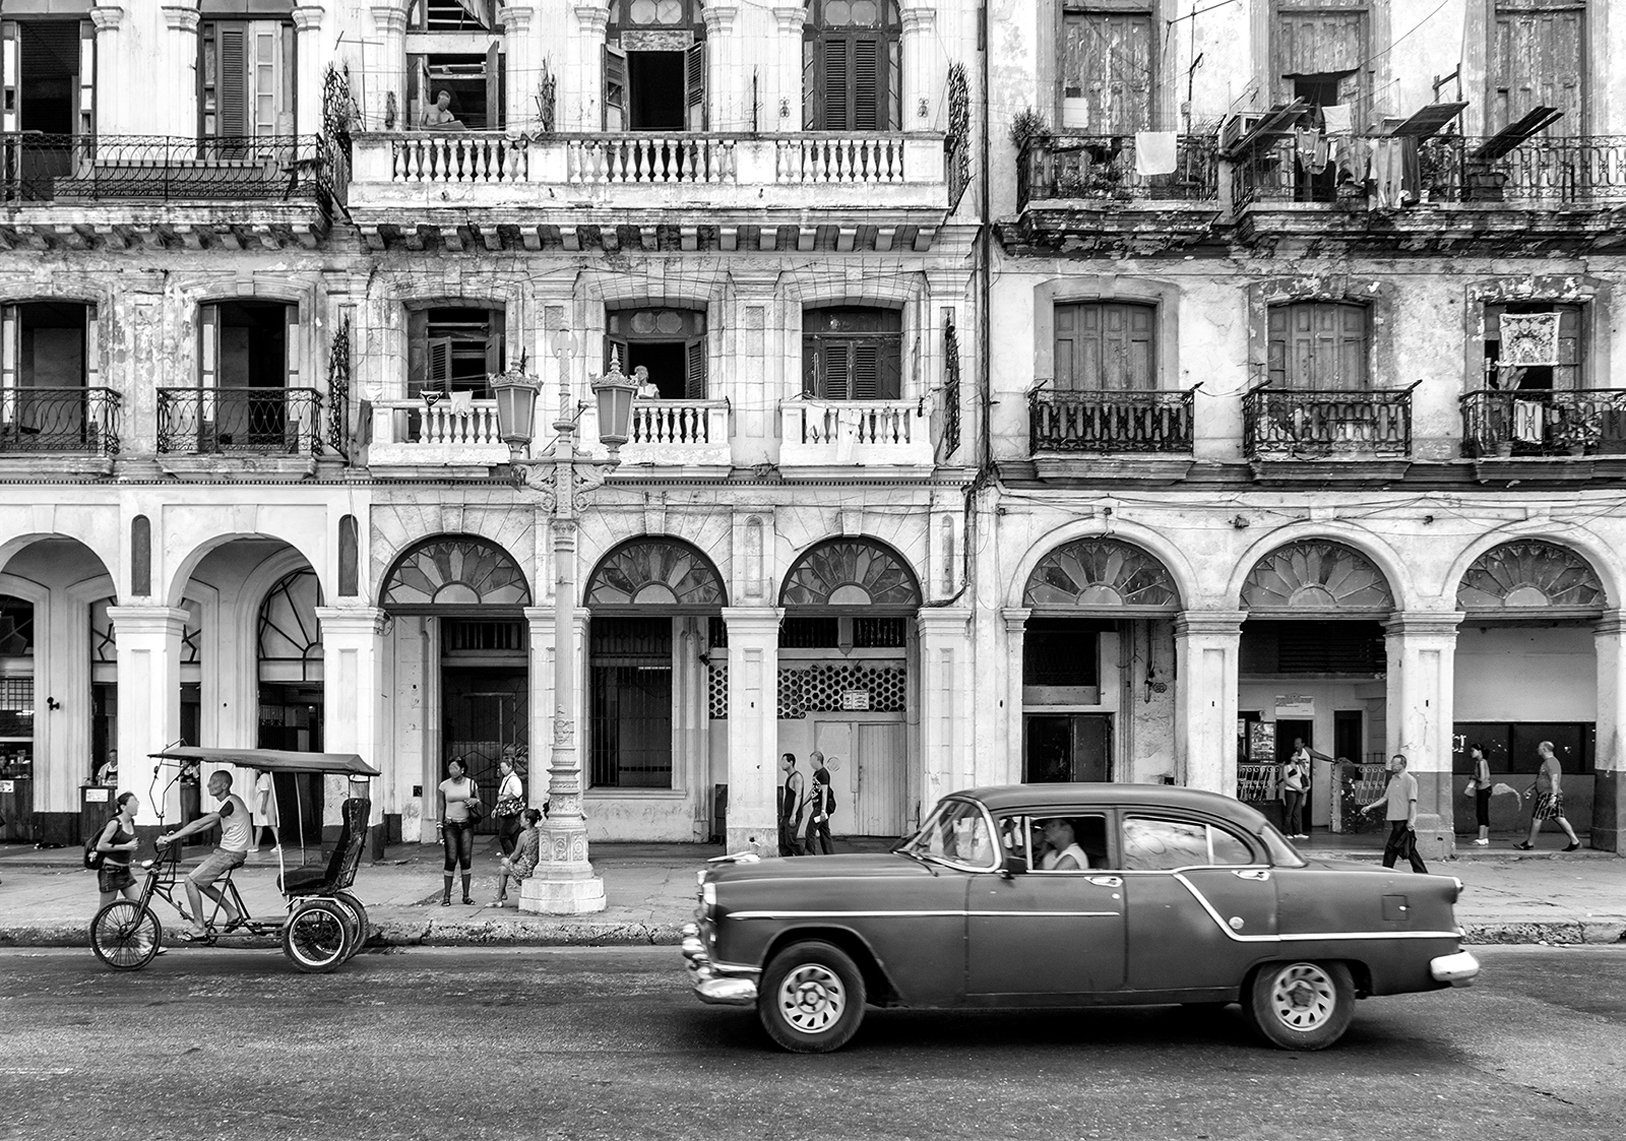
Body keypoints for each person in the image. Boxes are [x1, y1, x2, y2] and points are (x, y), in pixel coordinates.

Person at [157, 770, 253, 940]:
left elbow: (200, 822)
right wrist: (179, 836)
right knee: (202, 883)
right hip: (229, 851)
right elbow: (205, 826)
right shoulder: (229, 802)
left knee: (190, 881)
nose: (209, 785)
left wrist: (171, 837)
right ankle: (232, 913)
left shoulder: (229, 802)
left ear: (225, 785)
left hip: (230, 853)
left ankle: (199, 927)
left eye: (214, 782)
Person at [92, 792, 165, 956]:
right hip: (109, 872)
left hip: (125, 871)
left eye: (137, 801)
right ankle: (97, 947)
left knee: (139, 905)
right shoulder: (114, 823)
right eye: (134, 801)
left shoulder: (131, 821)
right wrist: (125, 847)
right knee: (104, 911)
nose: (137, 804)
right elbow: (101, 846)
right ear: (123, 806)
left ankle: (144, 944)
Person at [1361, 754, 1428, 874]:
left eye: (1395, 764)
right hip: (1394, 818)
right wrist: (1370, 806)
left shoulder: (1410, 781)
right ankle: (1422, 872)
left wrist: (1411, 821)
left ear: (1402, 765)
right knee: (1409, 848)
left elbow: (1412, 802)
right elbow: (1385, 797)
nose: (1392, 765)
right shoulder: (1393, 779)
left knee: (1391, 847)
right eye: (1392, 763)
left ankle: (1386, 871)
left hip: (1403, 820)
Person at [1516, 740, 1582, 852]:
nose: (1538, 749)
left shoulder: (1551, 762)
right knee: (1559, 818)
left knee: (1537, 818)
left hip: (1548, 795)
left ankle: (1530, 843)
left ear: (1545, 749)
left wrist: (1553, 796)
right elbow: (1542, 779)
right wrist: (1530, 789)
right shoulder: (1546, 763)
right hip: (1549, 794)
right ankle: (1575, 841)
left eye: (1539, 747)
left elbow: (1554, 780)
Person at [436, 758, 479, 905]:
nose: (452, 771)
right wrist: (439, 826)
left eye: (455, 768)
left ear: (462, 769)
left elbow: (478, 801)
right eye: (450, 768)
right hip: (450, 826)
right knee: (451, 859)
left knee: (466, 859)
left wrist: (474, 801)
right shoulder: (444, 786)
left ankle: (466, 895)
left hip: (466, 825)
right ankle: (446, 896)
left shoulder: (471, 784)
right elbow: (441, 807)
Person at [494, 808, 542, 907]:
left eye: (521, 819)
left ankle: (499, 898)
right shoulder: (538, 832)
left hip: (525, 869)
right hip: (534, 865)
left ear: (528, 821)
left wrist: (508, 861)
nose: (520, 821)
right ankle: (500, 896)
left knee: (502, 866)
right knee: (503, 869)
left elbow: (516, 855)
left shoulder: (523, 835)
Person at [494, 753, 525, 858]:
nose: (502, 769)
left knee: (504, 836)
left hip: (510, 812)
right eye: (501, 767)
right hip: (506, 810)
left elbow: (517, 793)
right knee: (511, 835)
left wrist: (505, 798)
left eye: (504, 767)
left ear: (510, 767)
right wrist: (496, 808)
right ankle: (513, 856)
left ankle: (512, 856)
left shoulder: (513, 779)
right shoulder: (506, 778)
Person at [778, 753, 807, 857]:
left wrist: (793, 815)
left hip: (793, 814)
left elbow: (798, 795)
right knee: (782, 840)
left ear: (791, 762)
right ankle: (788, 862)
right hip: (787, 814)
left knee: (790, 840)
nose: (781, 763)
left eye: (783, 761)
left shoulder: (797, 777)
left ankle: (803, 857)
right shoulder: (789, 777)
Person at [804, 766, 836, 855]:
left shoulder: (823, 773)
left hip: (820, 807)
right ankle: (830, 854)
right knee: (824, 830)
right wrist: (803, 803)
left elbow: (824, 792)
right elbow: (814, 791)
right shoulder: (816, 773)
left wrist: (823, 810)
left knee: (810, 830)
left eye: (812, 759)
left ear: (818, 759)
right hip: (818, 806)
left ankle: (810, 853)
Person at [250, 769, 280, 855]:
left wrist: (263, 806)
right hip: (267, 803)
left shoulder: (263, 777)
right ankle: (278, 844)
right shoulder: (268, 776)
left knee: (260, 825)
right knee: (271, 824)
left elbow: (265, 792)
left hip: (262, 804)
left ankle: (256, 846)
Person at [1467, 743, 1493, 846]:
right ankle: (1485, 837)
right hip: (1486, 789)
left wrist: (1473, 777)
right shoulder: (1483, 762)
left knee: (1481, 813)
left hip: (1483, 789)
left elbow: (1482, 778)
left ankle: (1481, 837)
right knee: (1484, 812)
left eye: (1473, 750)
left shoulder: (1481, 762)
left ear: (1479, 751)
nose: (1471, 753)